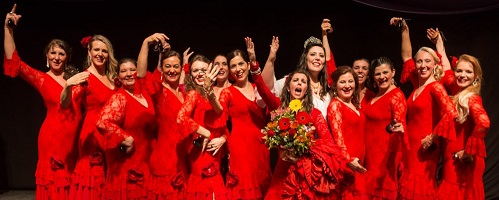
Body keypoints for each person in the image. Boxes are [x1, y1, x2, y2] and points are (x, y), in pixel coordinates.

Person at [3, 4, 83, 199]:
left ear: (67, 57)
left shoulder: (79, 78)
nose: (56, 57)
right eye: (53, 53)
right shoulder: (41, 78)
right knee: (54, 183)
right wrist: (8, 29)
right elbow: (15, 61)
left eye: (61, 53)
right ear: (47, 56)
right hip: (52, 137)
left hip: (76, 139)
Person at [390, 17, 457, 199]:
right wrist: (405, 29)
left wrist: (433, 136)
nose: (422, 65)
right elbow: (406, 56)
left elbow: (451, 112)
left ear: (435, 64)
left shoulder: (435, 86)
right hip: (409, 146)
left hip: (425, 148)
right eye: (419, 62)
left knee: (420, 190)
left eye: (427, 61)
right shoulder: (417, 84)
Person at [428, 29, 490, 200]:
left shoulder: (471, 98)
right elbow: (447, 69)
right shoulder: (457, 89)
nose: (462, 75)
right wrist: (439, 42)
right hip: (451, 159)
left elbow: (484, 123)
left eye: (468, 72)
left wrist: (469, 151)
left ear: (476, 77)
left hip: (463, 163)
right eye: (460, 71)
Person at [61, 34, 119, 199]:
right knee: (93, 185)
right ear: (89, 52)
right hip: (92, 136)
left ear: (109, 54)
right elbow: (65, 105)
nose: (100, 54)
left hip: (111, 136)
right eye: (97, 50)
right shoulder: (84, 78)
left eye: (104, 51)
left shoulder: (112, 78)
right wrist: (67, 86)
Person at [135, 33, 191, 199]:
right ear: (162, 68)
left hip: (184, 160)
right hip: (165, 160)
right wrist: (145, 43)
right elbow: (141, 75)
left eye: (175, 66)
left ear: (182, 68)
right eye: (168, 66)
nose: (172, 70)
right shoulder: (158, 91)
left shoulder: (185, 91)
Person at [217, 37, 273, 199]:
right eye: (233, 66)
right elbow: (220, 120)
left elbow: (271, 112)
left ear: (248, 65)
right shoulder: (228, 92)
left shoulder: (258, 89)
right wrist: (223, 138)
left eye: (241, 63)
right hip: (240, 149)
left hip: (262, 147)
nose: (237, 69)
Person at [95, 58, 157, 199]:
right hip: (129, 165)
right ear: (118, 77)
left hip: (148, 162)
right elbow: (102, 121)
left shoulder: (146, 95)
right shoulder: (120, 97)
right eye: (123, 71)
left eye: (132, 70)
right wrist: (126, 138)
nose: (129, 74)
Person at [177, 54, 229, 199]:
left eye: (203, 70)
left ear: (210, 71)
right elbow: (181, 118)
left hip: (214, 151)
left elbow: (220, 114)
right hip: (200, 151)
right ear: (190, 75)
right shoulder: (193, 94)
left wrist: (223, 139)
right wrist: (205, 132)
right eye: (195, 70)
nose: (199, 73)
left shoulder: (214, 94)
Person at [261, 19, 336, 118]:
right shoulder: (292, 81)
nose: (317, 58)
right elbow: (267, 90)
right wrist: (270, 60)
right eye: (313, 54)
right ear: (305, 59)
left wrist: (324, 35)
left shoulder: (328, 87)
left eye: (321, 56)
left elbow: (329, 61)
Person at [362, 57, 407, 199]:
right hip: (370, 155)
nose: (382, 77)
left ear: (393, 72)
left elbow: (399, 126)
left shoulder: (396, 96)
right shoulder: (376, 95)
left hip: (384, 157)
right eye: (377, 74)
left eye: (385, 72)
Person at [327, 66, 368, 199]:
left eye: (350, 81)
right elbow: (338, 137)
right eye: (342, 82)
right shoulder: (336, 105)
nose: (347, 86)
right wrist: (348, 160)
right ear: (335, 85)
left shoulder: (354, 104)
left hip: (358, 164)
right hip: (347, 165)